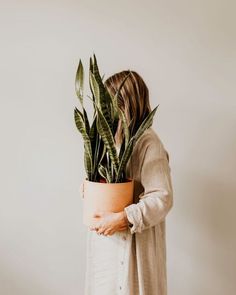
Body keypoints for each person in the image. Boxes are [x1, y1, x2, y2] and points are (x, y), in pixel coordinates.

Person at [82, 70, 174, 295]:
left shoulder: (148, 143)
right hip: (108, 243)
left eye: (113, 103)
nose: (108, 112)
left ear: (126, 104)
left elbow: (162, 197)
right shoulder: (113, 141)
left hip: (133, 247)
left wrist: (124, 218)